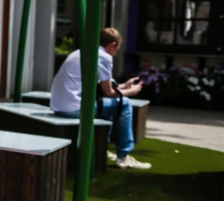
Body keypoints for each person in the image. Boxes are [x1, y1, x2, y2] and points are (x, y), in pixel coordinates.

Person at [50, 27, 151, 170]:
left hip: (61, 105)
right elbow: (109, 92)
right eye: (117, 49)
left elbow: (101, 88)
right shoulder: (104, 57)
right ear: (113, 45)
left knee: (108, 106)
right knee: (125, 104)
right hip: (73, 109)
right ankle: (123, 156)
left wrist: (123, 86)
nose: (115, 54)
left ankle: (103, 149)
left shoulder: (82, 51)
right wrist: (131, 92)